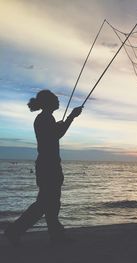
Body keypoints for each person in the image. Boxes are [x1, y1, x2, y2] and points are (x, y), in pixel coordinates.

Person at [4, 90, 83, 246]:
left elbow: (54, 133)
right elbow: (56, 135)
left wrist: (63, 122)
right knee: (45, 204)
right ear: (48, 103)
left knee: (51, 203)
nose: (58, 101)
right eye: (55, 99)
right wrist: (71, 117)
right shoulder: (44, 118)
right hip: (49, 166)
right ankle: (15, 231)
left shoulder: (46, 118)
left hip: (47, 165)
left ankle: (54, 235)